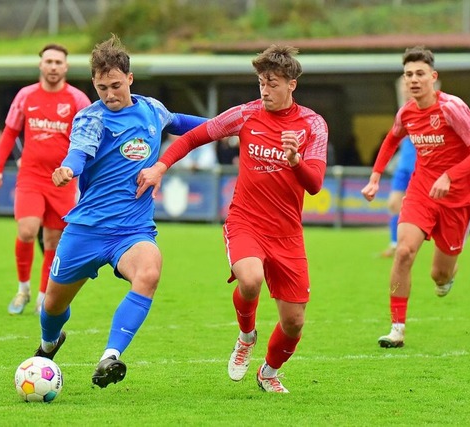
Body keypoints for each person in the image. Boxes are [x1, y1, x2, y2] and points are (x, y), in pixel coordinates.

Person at [136, 44, 328, 393]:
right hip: (246, 221)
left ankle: (268, 372)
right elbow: (196, 135)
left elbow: (314, 184)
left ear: (292, 84)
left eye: (272, 82)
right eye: (261, 82)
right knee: (250, 279)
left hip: (287, 233)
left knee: (294, 323)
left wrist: (295, 160)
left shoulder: (313, 124)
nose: (265, 90)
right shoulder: (246, 115)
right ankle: (245, 336)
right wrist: (161, 166)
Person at [32, 34, 206, 389]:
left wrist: (227, 126)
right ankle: (50, 343)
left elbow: (181, 123)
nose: (109, 94)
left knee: (149, 272)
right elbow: (79, 152)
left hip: (132, 230)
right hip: (86, 229)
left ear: (130, 78)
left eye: (115, 85)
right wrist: (68, 169)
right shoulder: (90, 120)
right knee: (51, 307)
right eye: (101, 88)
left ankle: (110, 357)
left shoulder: (151, 109)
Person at [361, 46, 470, 348]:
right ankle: (397, 328)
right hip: (421, 192)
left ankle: (449, 274)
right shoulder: (406, 112)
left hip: (457, 198)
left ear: (433, 77)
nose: (414, 79)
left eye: (420, 74)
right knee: (404, 252)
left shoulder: (451, 108)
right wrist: (376, 176)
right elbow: (392, 139)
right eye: (408, 75)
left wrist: (450, 176)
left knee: (439, 275)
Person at [0, 44, 92, 315]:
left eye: (59, 61)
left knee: (53, 241)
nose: (54, 66)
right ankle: (23, 289)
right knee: (26, 231)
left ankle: (43, 296)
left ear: (66, 67)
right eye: (49, 61)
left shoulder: (79, 100)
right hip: (31, 177)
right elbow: (10, 132)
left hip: (62, 180)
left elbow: (91, 138)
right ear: (41, 65)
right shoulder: (25, 96)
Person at [381, 136, 416, 258]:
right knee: (394, 204)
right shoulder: (404, 119)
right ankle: (395, 243)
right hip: (403, 169)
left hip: (420, 169)